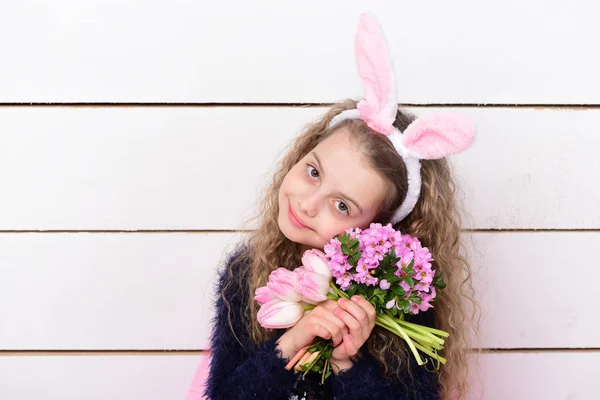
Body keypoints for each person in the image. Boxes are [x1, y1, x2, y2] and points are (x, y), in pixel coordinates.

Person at [201, 14, 480, 400]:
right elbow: (224, 395)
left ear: (378, 229)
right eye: (314, 172)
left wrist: (347, 364)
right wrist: (292, 341)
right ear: (300, 155)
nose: (308, 203)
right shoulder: (246, 272)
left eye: (342, 206)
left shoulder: (401, 300)